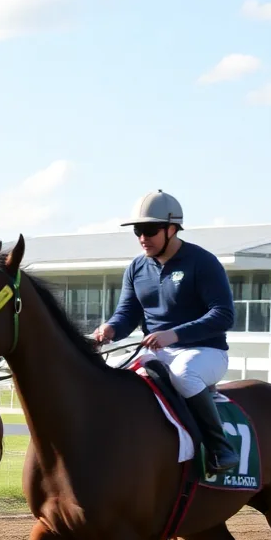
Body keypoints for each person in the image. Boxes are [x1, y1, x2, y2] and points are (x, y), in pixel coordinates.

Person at [92, 190, 238, 475]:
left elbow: (223, 315)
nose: (142, 238)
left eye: (149, 230)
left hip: (204, 352)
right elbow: (127, 314)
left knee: (184, 373)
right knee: (108, 378)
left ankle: (221, 448)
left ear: (172, 229)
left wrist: (175, 334)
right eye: (138, 230)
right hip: (155, 353)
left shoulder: (202, 262)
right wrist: (110, 329)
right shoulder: (137, 268)